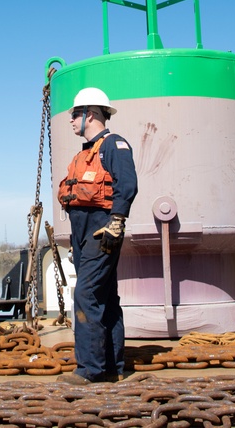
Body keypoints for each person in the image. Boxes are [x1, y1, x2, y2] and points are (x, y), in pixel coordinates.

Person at [56, 87, 138, 384]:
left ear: (89, 115)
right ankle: (111, 367)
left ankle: (89, 370)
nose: (70, 121)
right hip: (83, 234)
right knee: (104, 297)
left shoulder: (114, 146)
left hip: (101, 230)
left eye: (74, 115)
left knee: (86, 294)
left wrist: (117, 221)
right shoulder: (86, 152)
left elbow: (127, 185)